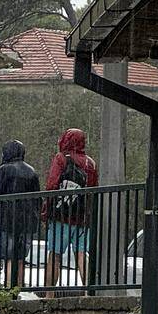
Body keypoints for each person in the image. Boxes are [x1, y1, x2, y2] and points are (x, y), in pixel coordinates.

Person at [42, 127, 98, 298]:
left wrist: (47, 209)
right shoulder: (90, 163)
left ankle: (49, 295)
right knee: (82, 254)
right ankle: (89, 292)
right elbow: (93, 189)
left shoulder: (61, 158)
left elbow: (52, 185)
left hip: (61, 215)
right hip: (81, 217)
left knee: (55, 255)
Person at [0, 140, 39, 291]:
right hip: (27, 222)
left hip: (6, 220)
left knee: (8, 256)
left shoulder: (4, 169)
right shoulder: (31, 171)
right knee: (20, 257)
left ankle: (9, 289)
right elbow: (37, 197)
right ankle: (19, 288)